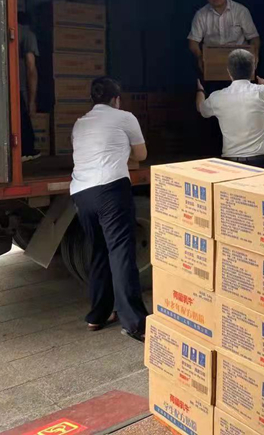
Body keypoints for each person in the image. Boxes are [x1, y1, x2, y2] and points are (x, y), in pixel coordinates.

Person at [70, 77, 149, 342]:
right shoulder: (125, 117)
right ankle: (134, 322)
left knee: (99, 252)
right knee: (121, 253)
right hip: (111, 189)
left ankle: (97, 315)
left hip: (81, 193)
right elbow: (141, 154)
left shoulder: (80, 123)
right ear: (116, 99)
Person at [196, 49, 264, 170]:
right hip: (262, 163)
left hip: (232, 166)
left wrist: (200, 90)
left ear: (229, 71)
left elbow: (201, 109)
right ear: (253, 69)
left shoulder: (217, 97)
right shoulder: (262, 91)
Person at [187, 0, 260, 91]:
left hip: (239, 62)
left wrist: (255, 55)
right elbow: (193, 42)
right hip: (212, 62)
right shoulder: (201, 15)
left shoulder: (241, 11)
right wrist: (200, 57)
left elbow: (254, 38)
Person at [18, 11, 40, 162]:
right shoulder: (27, 34)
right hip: (17, 87)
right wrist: (32, 101)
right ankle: (26, 151)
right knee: (22, 118)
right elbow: (31, 68)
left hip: (3, 86)